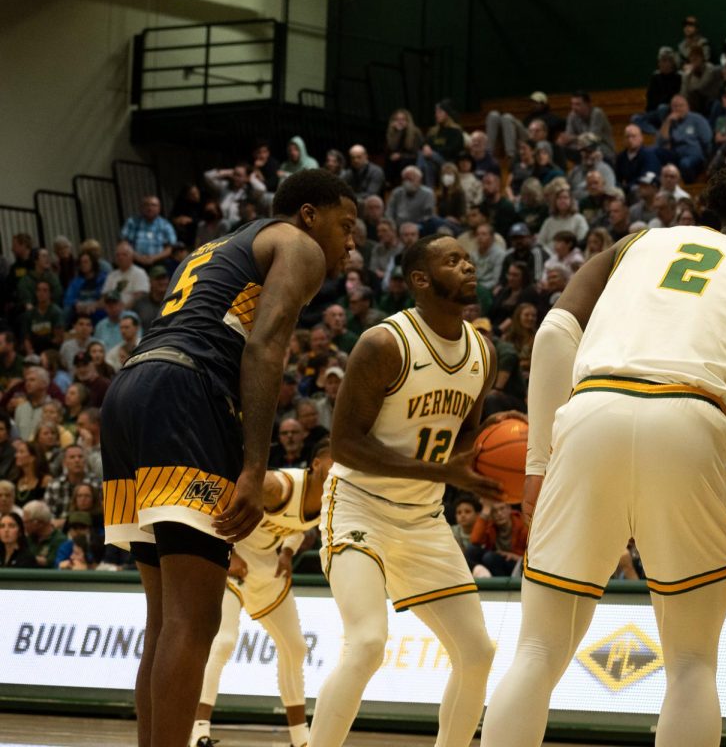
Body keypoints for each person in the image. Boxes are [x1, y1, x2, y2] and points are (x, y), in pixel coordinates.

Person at [479, 147, 726, 747]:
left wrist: (538, 465)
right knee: (691, 662)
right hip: (690, 420)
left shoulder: (636, 243)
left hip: (589, 414)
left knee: (536, 650)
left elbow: (556, 334)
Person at [100, 169, 356, 747]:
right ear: (309, 215)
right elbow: (264, 347)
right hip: (186, 395)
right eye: (347, 226)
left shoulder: (223, 245)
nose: (351, 243)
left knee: (165, 622)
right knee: (196, 620)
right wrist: (251, 466)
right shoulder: (298, 245)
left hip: (129, 393)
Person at [309, 235, 503, 746]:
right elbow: (345, 446)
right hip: (358, 506)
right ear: (420, 280)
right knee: (368, 643)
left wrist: (485, 466)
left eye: (468, 259)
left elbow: (465, 442)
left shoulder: (484, 351)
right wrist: (443, 474)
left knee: (478, 652)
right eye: (452, 261)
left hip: (422, 518)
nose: (467, 266)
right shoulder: (384, 344)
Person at [191, 443, 332, 747]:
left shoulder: (333, 498)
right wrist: (227, 553)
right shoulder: (278, 486)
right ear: (317, 463)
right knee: (224, 641)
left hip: (268, 567)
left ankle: (300, 738)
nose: (344, 467)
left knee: (294, 647)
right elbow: (218, 494)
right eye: (337, 461)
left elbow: (298, 524)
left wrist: (288, 552)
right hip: (234, 557)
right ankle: (198, 731)